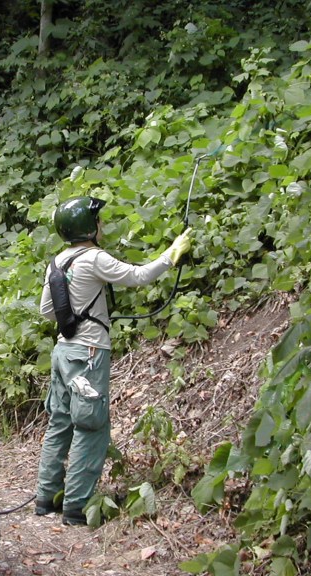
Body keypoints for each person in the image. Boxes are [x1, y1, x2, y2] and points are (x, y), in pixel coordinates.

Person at [35, 195, 192, 526]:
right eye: (98, 220)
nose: (102, 224)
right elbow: (138, 276)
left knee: (60, 423)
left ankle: (46, 498)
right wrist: (171, 254)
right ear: (89, 227)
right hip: (89, 354)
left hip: (62, 352)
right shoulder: (94, 258)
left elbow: (47, 310)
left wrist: (72, 313)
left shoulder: (56, 262)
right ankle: (76, 507)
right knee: (90, 425)